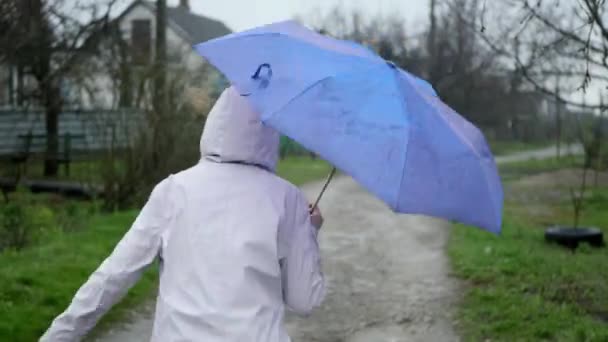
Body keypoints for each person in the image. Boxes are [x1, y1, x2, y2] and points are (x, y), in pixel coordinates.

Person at [41, 86, 326, 342]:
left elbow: (115, 274)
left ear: (215, 125)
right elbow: (305, 301)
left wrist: (58, 335)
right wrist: (309, 232)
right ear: (270, 135)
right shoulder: (287, 198)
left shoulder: (174, 190)